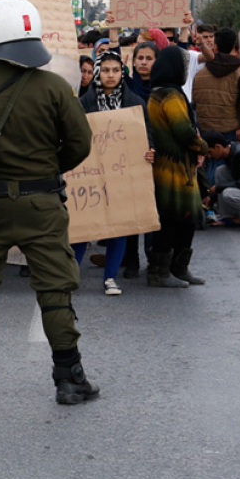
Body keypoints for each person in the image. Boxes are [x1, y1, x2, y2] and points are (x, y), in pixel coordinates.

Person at [0, 0, 97, 406]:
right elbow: (80, 144)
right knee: (55, 290)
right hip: (43, 205)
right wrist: (48, 169)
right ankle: (69, 380)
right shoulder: (54, 86)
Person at [75, 51, 153, 296]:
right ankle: (71, 275)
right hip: (89, 174)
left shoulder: (135, 104)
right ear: (99, 72)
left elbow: (147, 136)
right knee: (83, 226)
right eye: (106, 70)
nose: (111, 75)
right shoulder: (83, 104)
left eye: (116, 70)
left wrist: (151, 151)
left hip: (123, 174)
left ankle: (110, 278)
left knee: (119, 226)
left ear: (122, 73)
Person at [145, 46, 208, 289]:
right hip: (174, 169)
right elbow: (183, 130)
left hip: (172, 167)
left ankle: (177, 269)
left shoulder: (157, 93)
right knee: (174, 219)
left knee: (183, 218)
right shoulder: (170, 96)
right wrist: (202, 146)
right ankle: (162, 272)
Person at [192, 27, 240, 143]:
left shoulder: (199, 73)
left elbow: (195, 100)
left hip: (205, 129)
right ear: (233, 47)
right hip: (230, 128)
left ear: (215, 46)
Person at [203, 131, 240, 228]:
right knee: (221, 170)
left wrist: (219, 187)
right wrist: (211, 198)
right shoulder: (230, 152)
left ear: (218, 147)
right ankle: (230, 217)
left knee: (228, 193)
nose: (209, 156)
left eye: (210, 152)